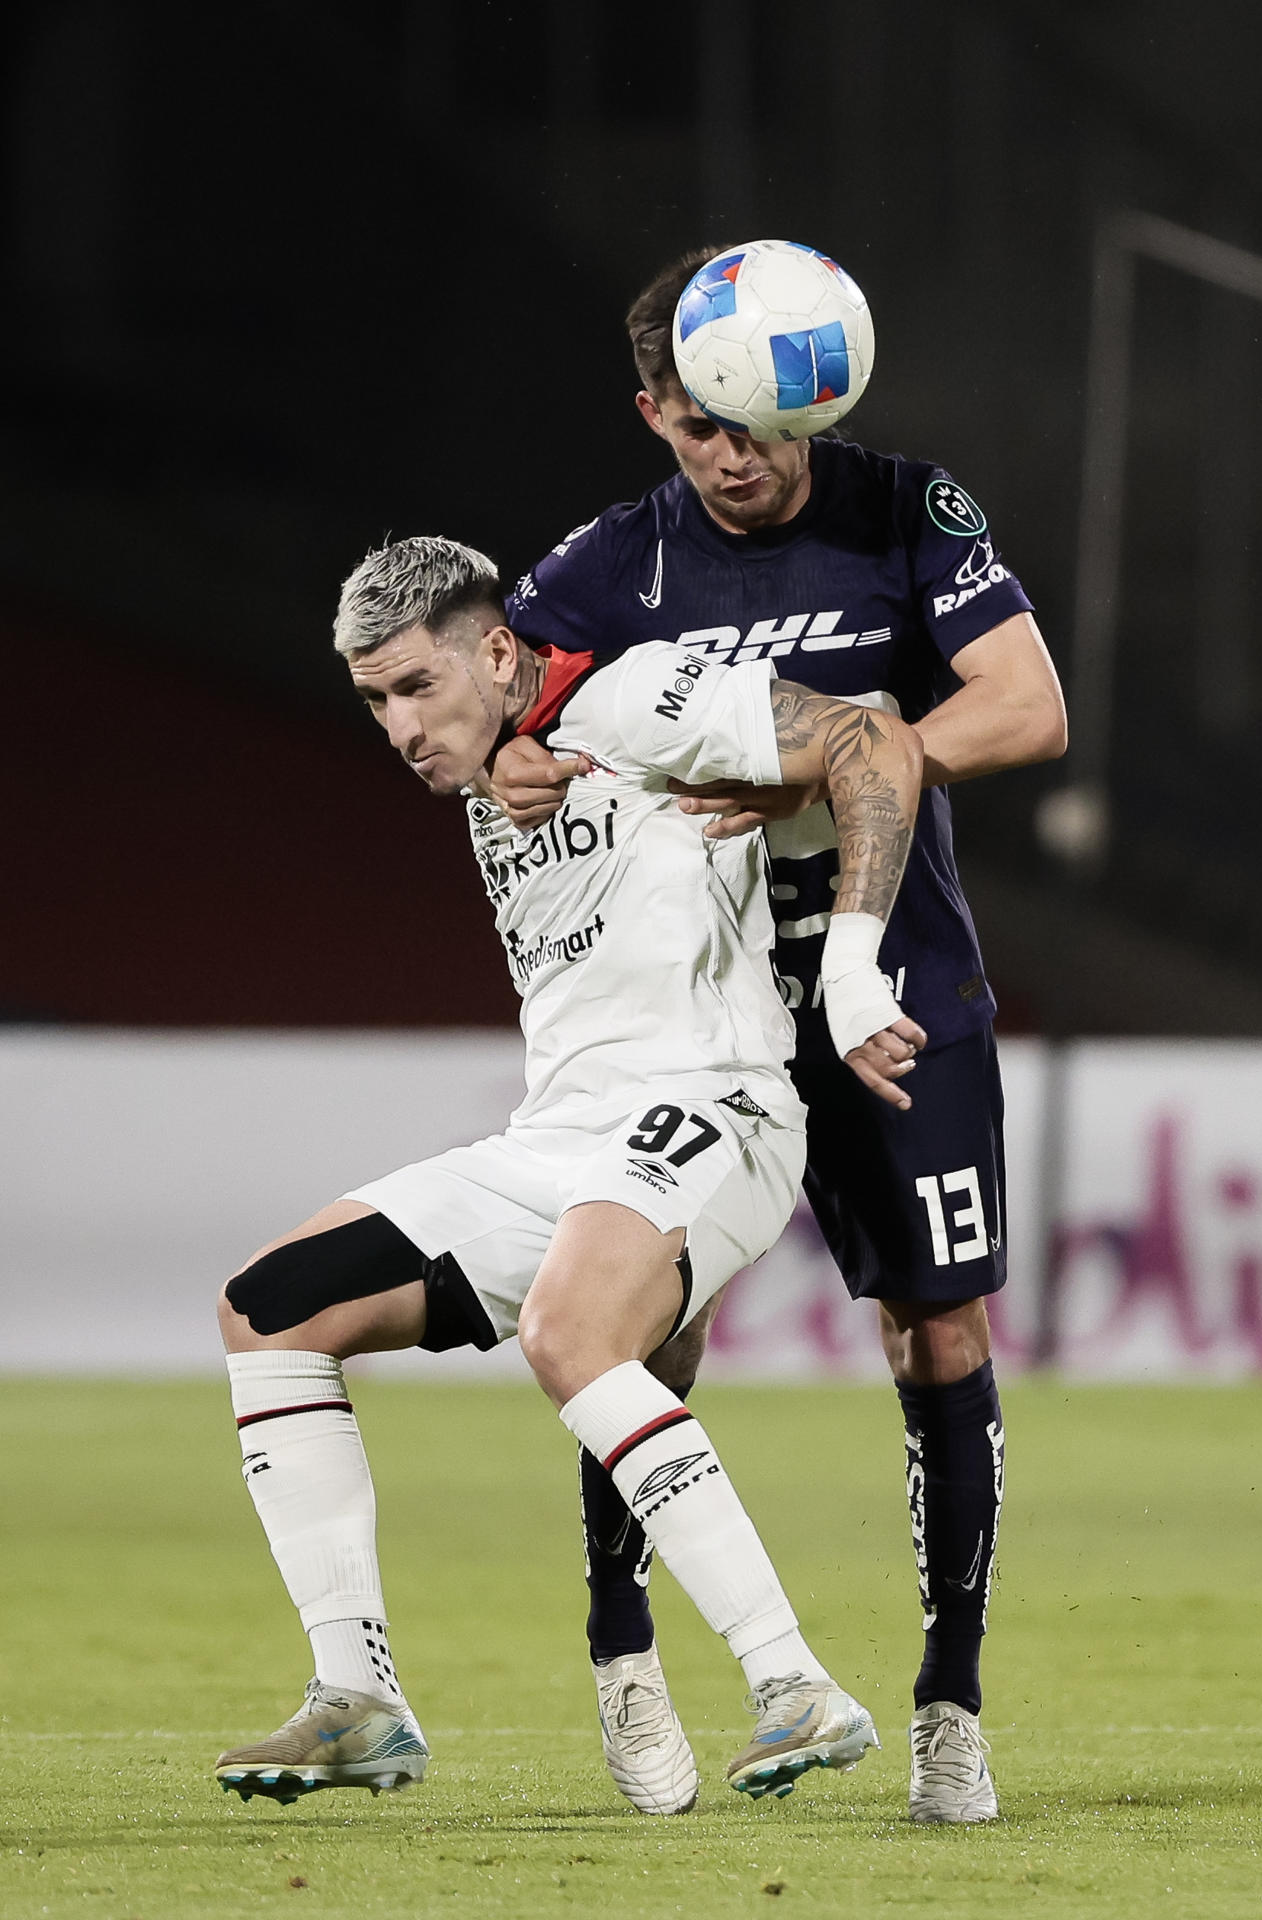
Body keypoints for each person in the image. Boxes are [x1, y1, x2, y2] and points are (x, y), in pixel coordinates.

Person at [491, 246, 1068, 1825]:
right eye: (698, 429)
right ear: (655, 417)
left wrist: (838, 770)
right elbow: (487, 718)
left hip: (894, 999)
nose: (734, 456)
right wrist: (514, 767)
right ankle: (624, 1659)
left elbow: (1023, 708)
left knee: (936, 1336)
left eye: (754, 424)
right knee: (637, 1333)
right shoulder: (611, 567)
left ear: (804, 396)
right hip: (699, 1027)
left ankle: (948, 1700)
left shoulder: (902, 506)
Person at [213, 533, 925, 1813]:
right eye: (374, 700)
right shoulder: (505, 756)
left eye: (416, 687)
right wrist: (497, 745)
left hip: (716, 1106)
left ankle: (791, 1679)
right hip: (556, 1140)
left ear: (496, 649)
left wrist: (856, 961)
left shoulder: (642, 695)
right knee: (266, 1308)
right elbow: (523, 734)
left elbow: (875, 742)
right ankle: (357, 1696)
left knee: (571, 1330)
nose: (397, 728)